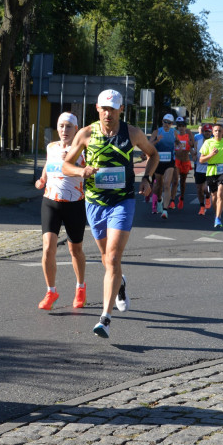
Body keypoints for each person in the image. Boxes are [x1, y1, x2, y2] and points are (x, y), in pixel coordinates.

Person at [62, 89, 158, 339]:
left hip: (122, 201)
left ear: (121, 109)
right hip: (95, 202)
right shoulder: (86, 133)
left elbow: (153, 154)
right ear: (97, 108)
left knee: (114, 257)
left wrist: (147, 178)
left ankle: (104, 318)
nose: (108, 113)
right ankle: (120, 283)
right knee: (106, 258)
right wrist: (80, 172)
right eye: (104, 108)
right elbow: (66, 164)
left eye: (113, 108)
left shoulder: (132, 133)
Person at [34, 112, 87, 310]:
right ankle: (51, 291)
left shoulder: (82, 149)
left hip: (74, 203)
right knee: (48, 248)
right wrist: (42, 179)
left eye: (68, 126)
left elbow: (88, 170)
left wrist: (75, 162)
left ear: (76, 129)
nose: (64, 130)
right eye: (61, 126)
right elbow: (48, 165)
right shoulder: (52, 147)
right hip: (50, 202)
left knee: (76, 250)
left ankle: (80, 288)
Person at [199, 122, 223, 229]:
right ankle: (217, 214)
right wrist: (211, 155)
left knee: (220, 192)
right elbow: (201, 160)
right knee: (214, 197)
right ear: (212, 132)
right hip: (211, 171)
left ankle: (218, 218)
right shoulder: (208, 143)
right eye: (216, 131)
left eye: (220, 131)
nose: (218, 133)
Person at [148, 113, 177, 219]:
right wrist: (157, 140)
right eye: (165, 122)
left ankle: (165, 210)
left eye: (169, 123)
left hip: (169, 161)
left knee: (166, 184)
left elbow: (178, 143)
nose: (166, 124)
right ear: (162, 121)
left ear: (172, 124)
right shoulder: (157, 132)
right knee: (158, 185)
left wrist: (178, 143)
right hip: (158, 161)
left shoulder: (174, 132)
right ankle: (159, 200)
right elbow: (149, 145)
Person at [172, 117, 193, 211]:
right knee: (175, 180)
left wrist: (191, 143)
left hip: (185, 160)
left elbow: (193, 145)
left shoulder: (188, 135)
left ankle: (182, 198)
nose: (181, 128)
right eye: (179, 126)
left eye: (183, 126)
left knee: (183, 182)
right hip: (176, 160)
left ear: (185, 127)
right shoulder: (175, 135)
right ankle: (172, 201)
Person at [193, 123, 212, 215]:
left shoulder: (214, 142)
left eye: (209, 131)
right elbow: (194, 154)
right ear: (203, 132)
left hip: (210, 169)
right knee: (199, 189)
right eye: (206, 131)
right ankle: (201, 206)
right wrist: (193, 155)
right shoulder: (198, 141)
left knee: (206, 189)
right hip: (199, 168)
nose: (207, 133)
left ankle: (207, 198)